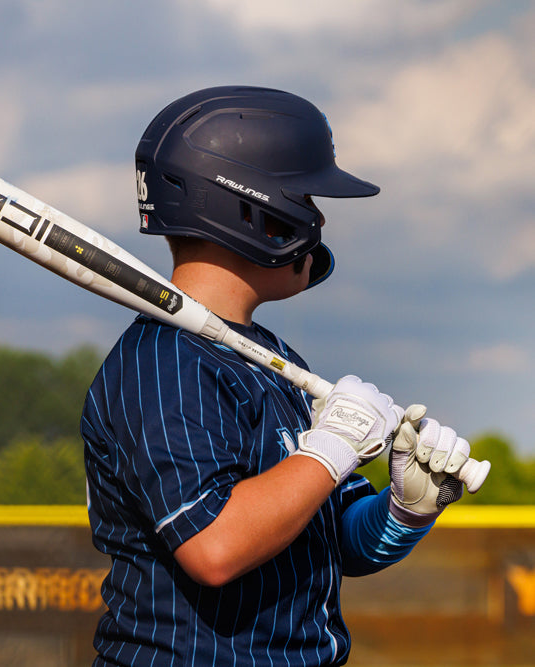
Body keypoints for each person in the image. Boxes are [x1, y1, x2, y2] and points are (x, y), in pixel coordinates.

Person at [81, 86, 477, 666]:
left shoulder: (274, 359)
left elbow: (337, 541)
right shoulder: (164, 363)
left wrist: (404, 509)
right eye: (307, 198)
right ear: (250, 208)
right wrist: (330, 449)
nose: (317, 219)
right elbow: (213, 547)